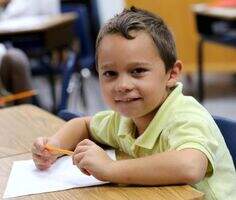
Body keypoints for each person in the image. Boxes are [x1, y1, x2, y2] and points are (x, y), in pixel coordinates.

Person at [31, 7, 236, 199]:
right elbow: (83, 125)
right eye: (110, 73)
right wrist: (54, 147)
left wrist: (110, 169)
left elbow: (190, 166)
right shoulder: (124, 120)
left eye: (137, 71)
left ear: (172, 74)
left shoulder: (185, 116)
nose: (122, 85)